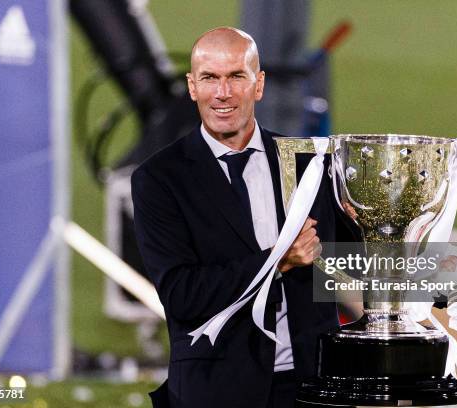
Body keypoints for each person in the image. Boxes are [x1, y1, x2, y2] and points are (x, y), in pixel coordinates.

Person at [131, 27, 339, 408]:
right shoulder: (159, 179)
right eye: (210, 78)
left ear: (258, 85)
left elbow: (349, 259)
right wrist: (277, 261)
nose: (222, 93)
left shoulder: (308, 162)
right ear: (192, 86)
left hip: (312, 390)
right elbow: (181, 296)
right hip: (216, 393)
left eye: (236, 77)